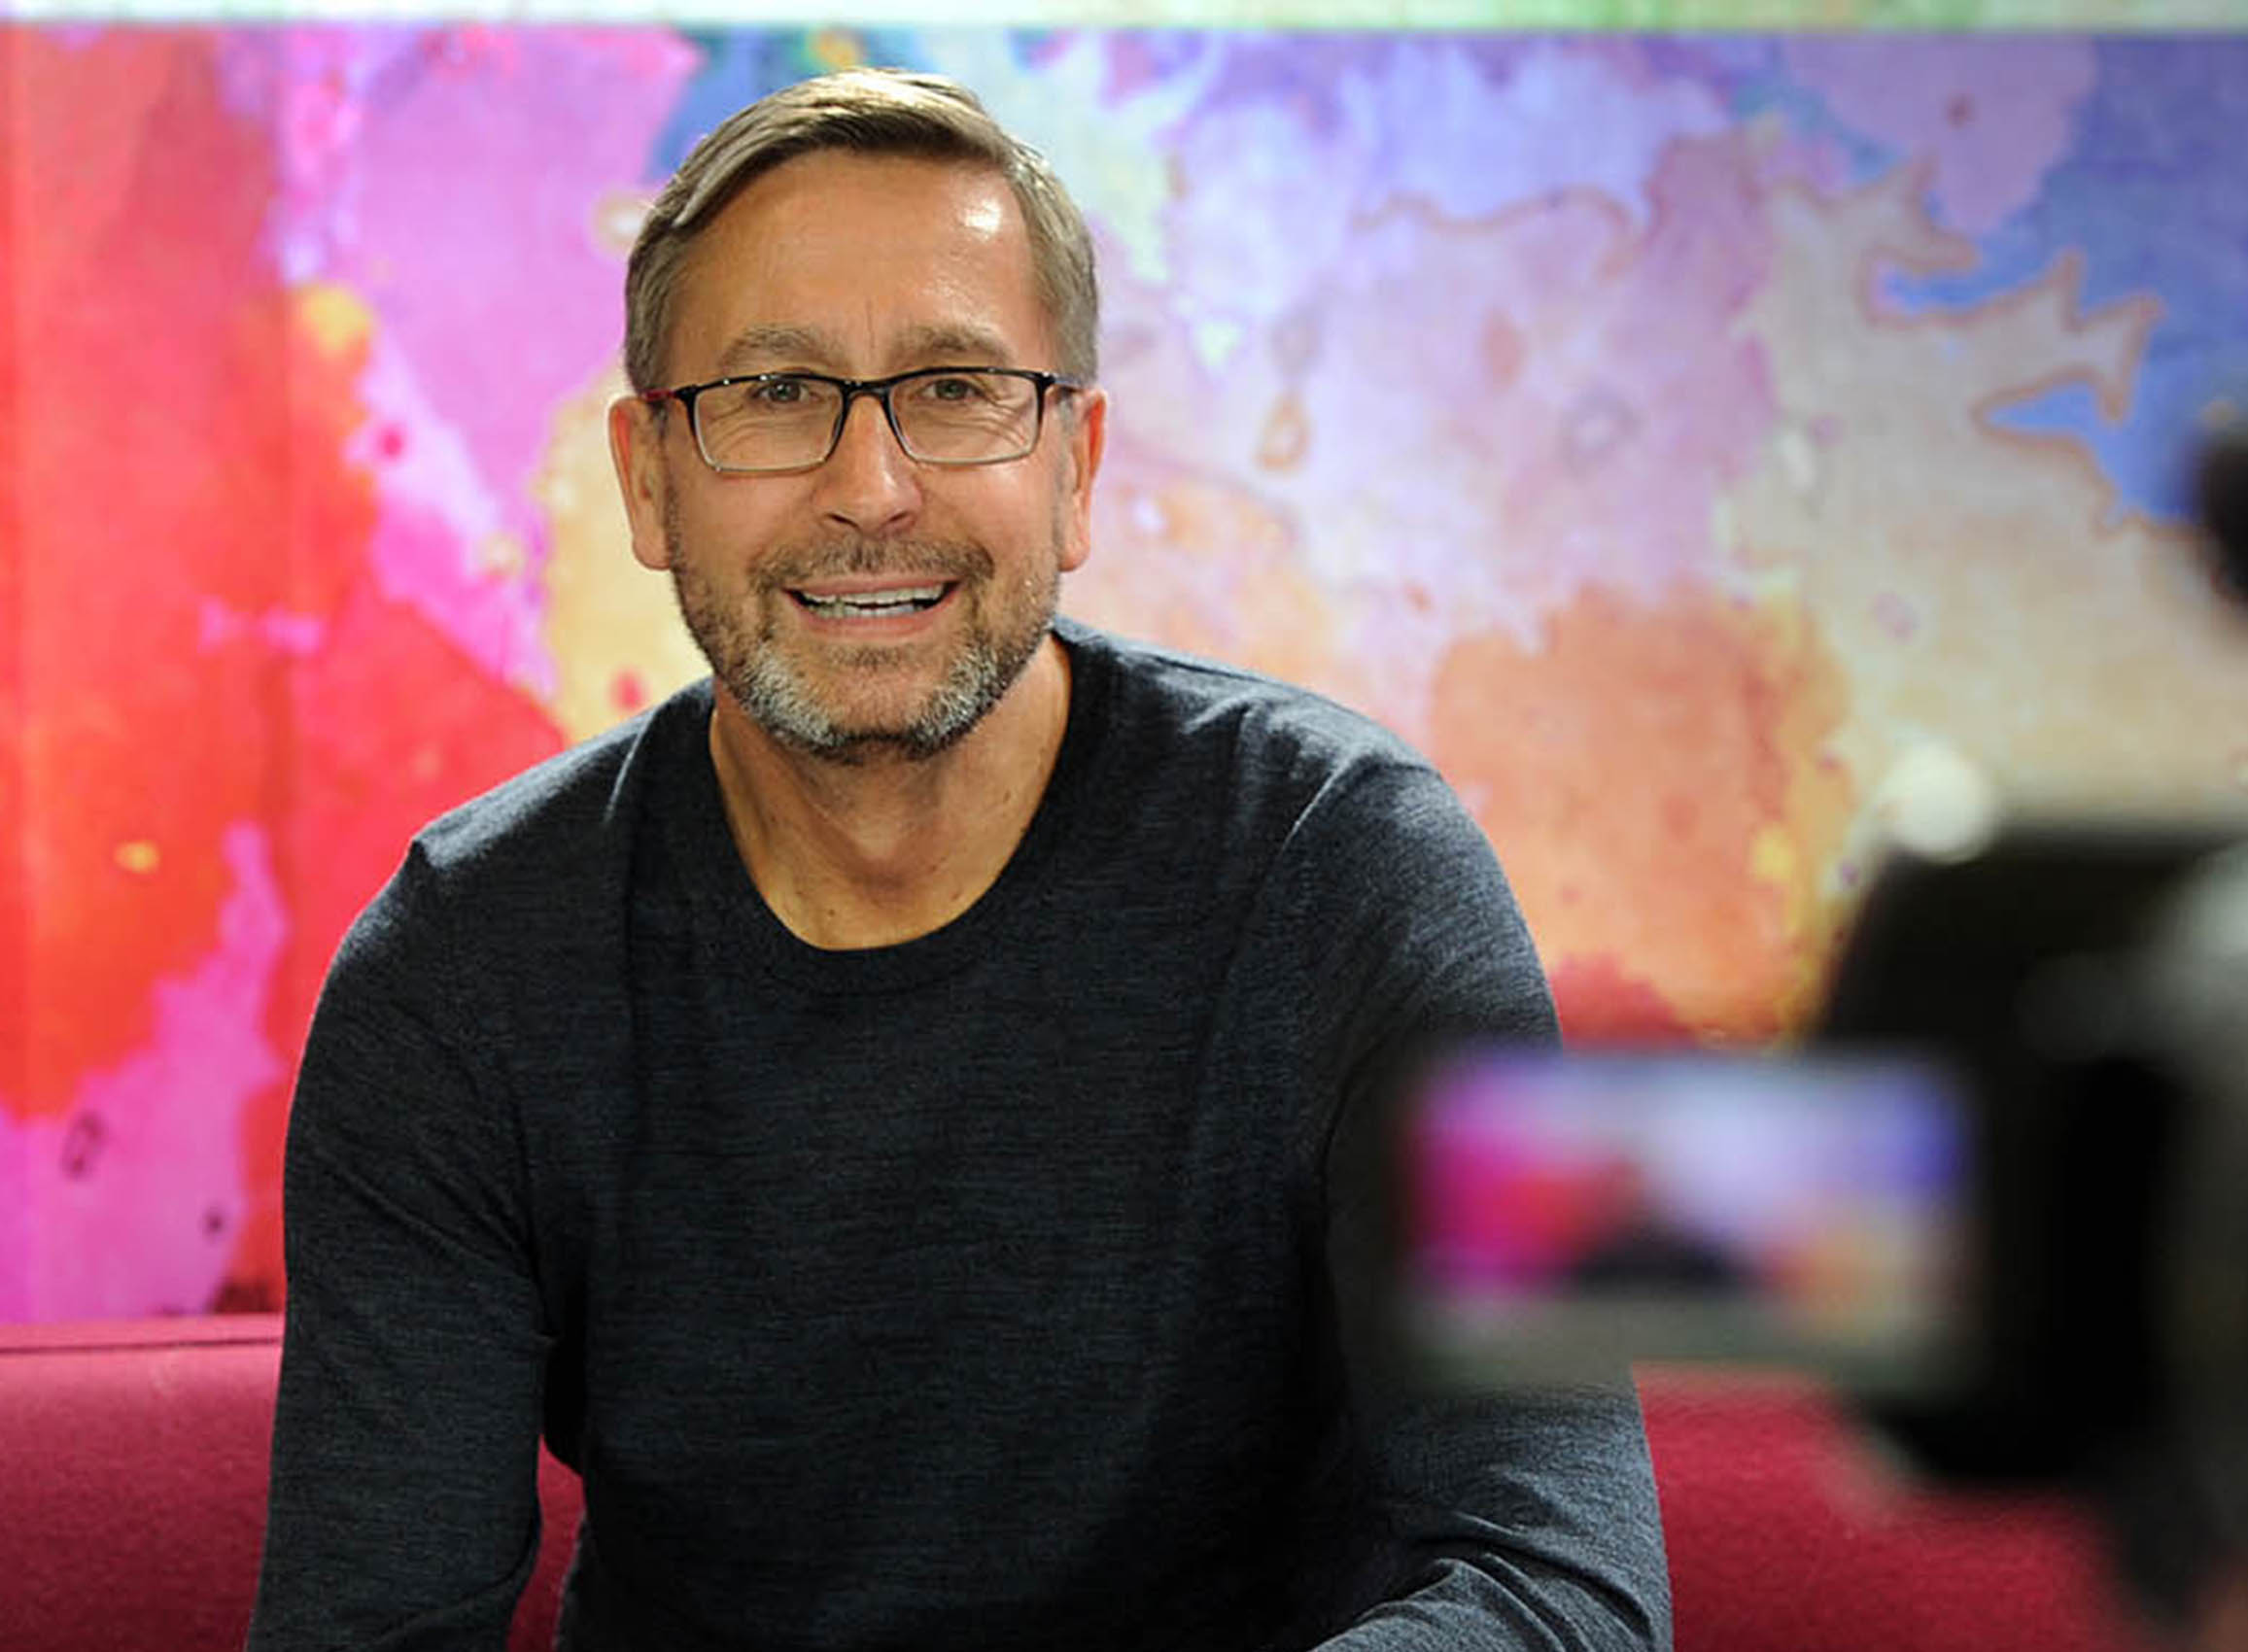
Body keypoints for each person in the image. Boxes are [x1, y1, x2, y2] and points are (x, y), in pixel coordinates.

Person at [246, 67, 1670, 1652]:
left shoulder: (1353, 872)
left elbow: (1565, 1586)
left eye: (956, 388)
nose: (870, 490)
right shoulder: (463, 977)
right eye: (774, 394)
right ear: (649, 480)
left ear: (1076, 464)